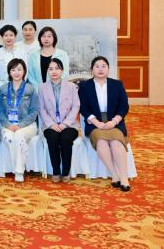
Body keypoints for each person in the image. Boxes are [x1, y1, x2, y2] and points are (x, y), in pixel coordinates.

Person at [79, 56, 131, 192]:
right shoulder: (85, 86)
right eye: (97, 66)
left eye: (103, 66)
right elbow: (83, 107)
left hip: (115, 122)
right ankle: (114, 175)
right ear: (92, 69)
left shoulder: (117, 84)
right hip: (94, 123)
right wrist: (96, 122)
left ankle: (124, 178)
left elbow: (124, 106)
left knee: (116, 142)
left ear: (108, 69)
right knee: (101, 141)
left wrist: (114, 121)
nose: (100, 69)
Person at [38, 58, 80, 183]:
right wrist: (51, 124)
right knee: (53, 138)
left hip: (69, 124)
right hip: (50, 124)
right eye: (51, 69)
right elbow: (41, 108)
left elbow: (76, 106)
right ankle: (56, 171)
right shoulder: (42, 88)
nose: (54, 71)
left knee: (66, 139)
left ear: (62, 70)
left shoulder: (71, 87)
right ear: (47, 71)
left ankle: (66, 172)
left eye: (57, 68)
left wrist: (65, 123)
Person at [0, 58, 39, 182]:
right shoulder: (3, 89)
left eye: (19, 69)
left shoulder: (30, 89)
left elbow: (34, 112)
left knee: (19, 136)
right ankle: (19, 168)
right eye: (13, 70)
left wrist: (20, 125)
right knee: (10, 138)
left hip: (27, 125)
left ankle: (19, 171)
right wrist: (8, 125)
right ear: (9, 72)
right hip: (7, 125)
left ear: (24, 71)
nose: (16, 72)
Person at [0, 25, 27, 90]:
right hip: (2, 88)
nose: (8, 38)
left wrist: (19, 87)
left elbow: (25, 71)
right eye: (6, 35)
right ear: (2, 37)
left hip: (19, 88)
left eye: (11, 35)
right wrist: (2, 88)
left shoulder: (22, 52)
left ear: (15, 36)